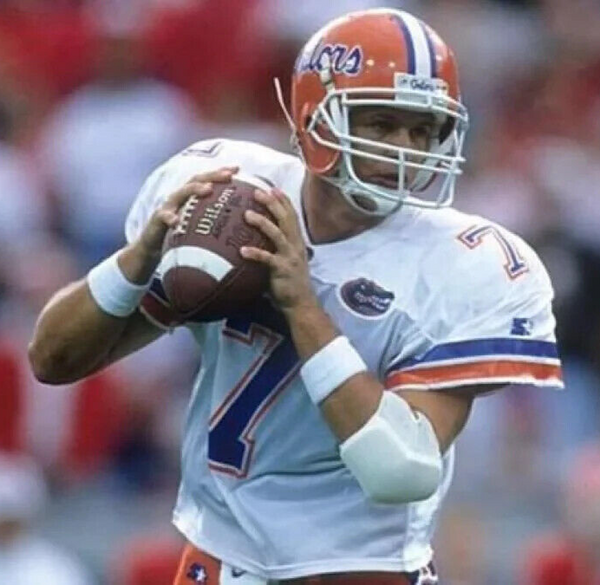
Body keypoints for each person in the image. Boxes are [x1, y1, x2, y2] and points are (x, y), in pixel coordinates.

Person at [28, 9, 563, 585]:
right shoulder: (232, 198)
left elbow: (401, 470)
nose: (404, 150)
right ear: (315, 120)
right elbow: (53, 360)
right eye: (382, 124)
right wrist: (136, 260)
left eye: (422, 129)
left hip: (358, 571)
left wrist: (302, 305)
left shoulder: (465, 263)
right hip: (219, 560)